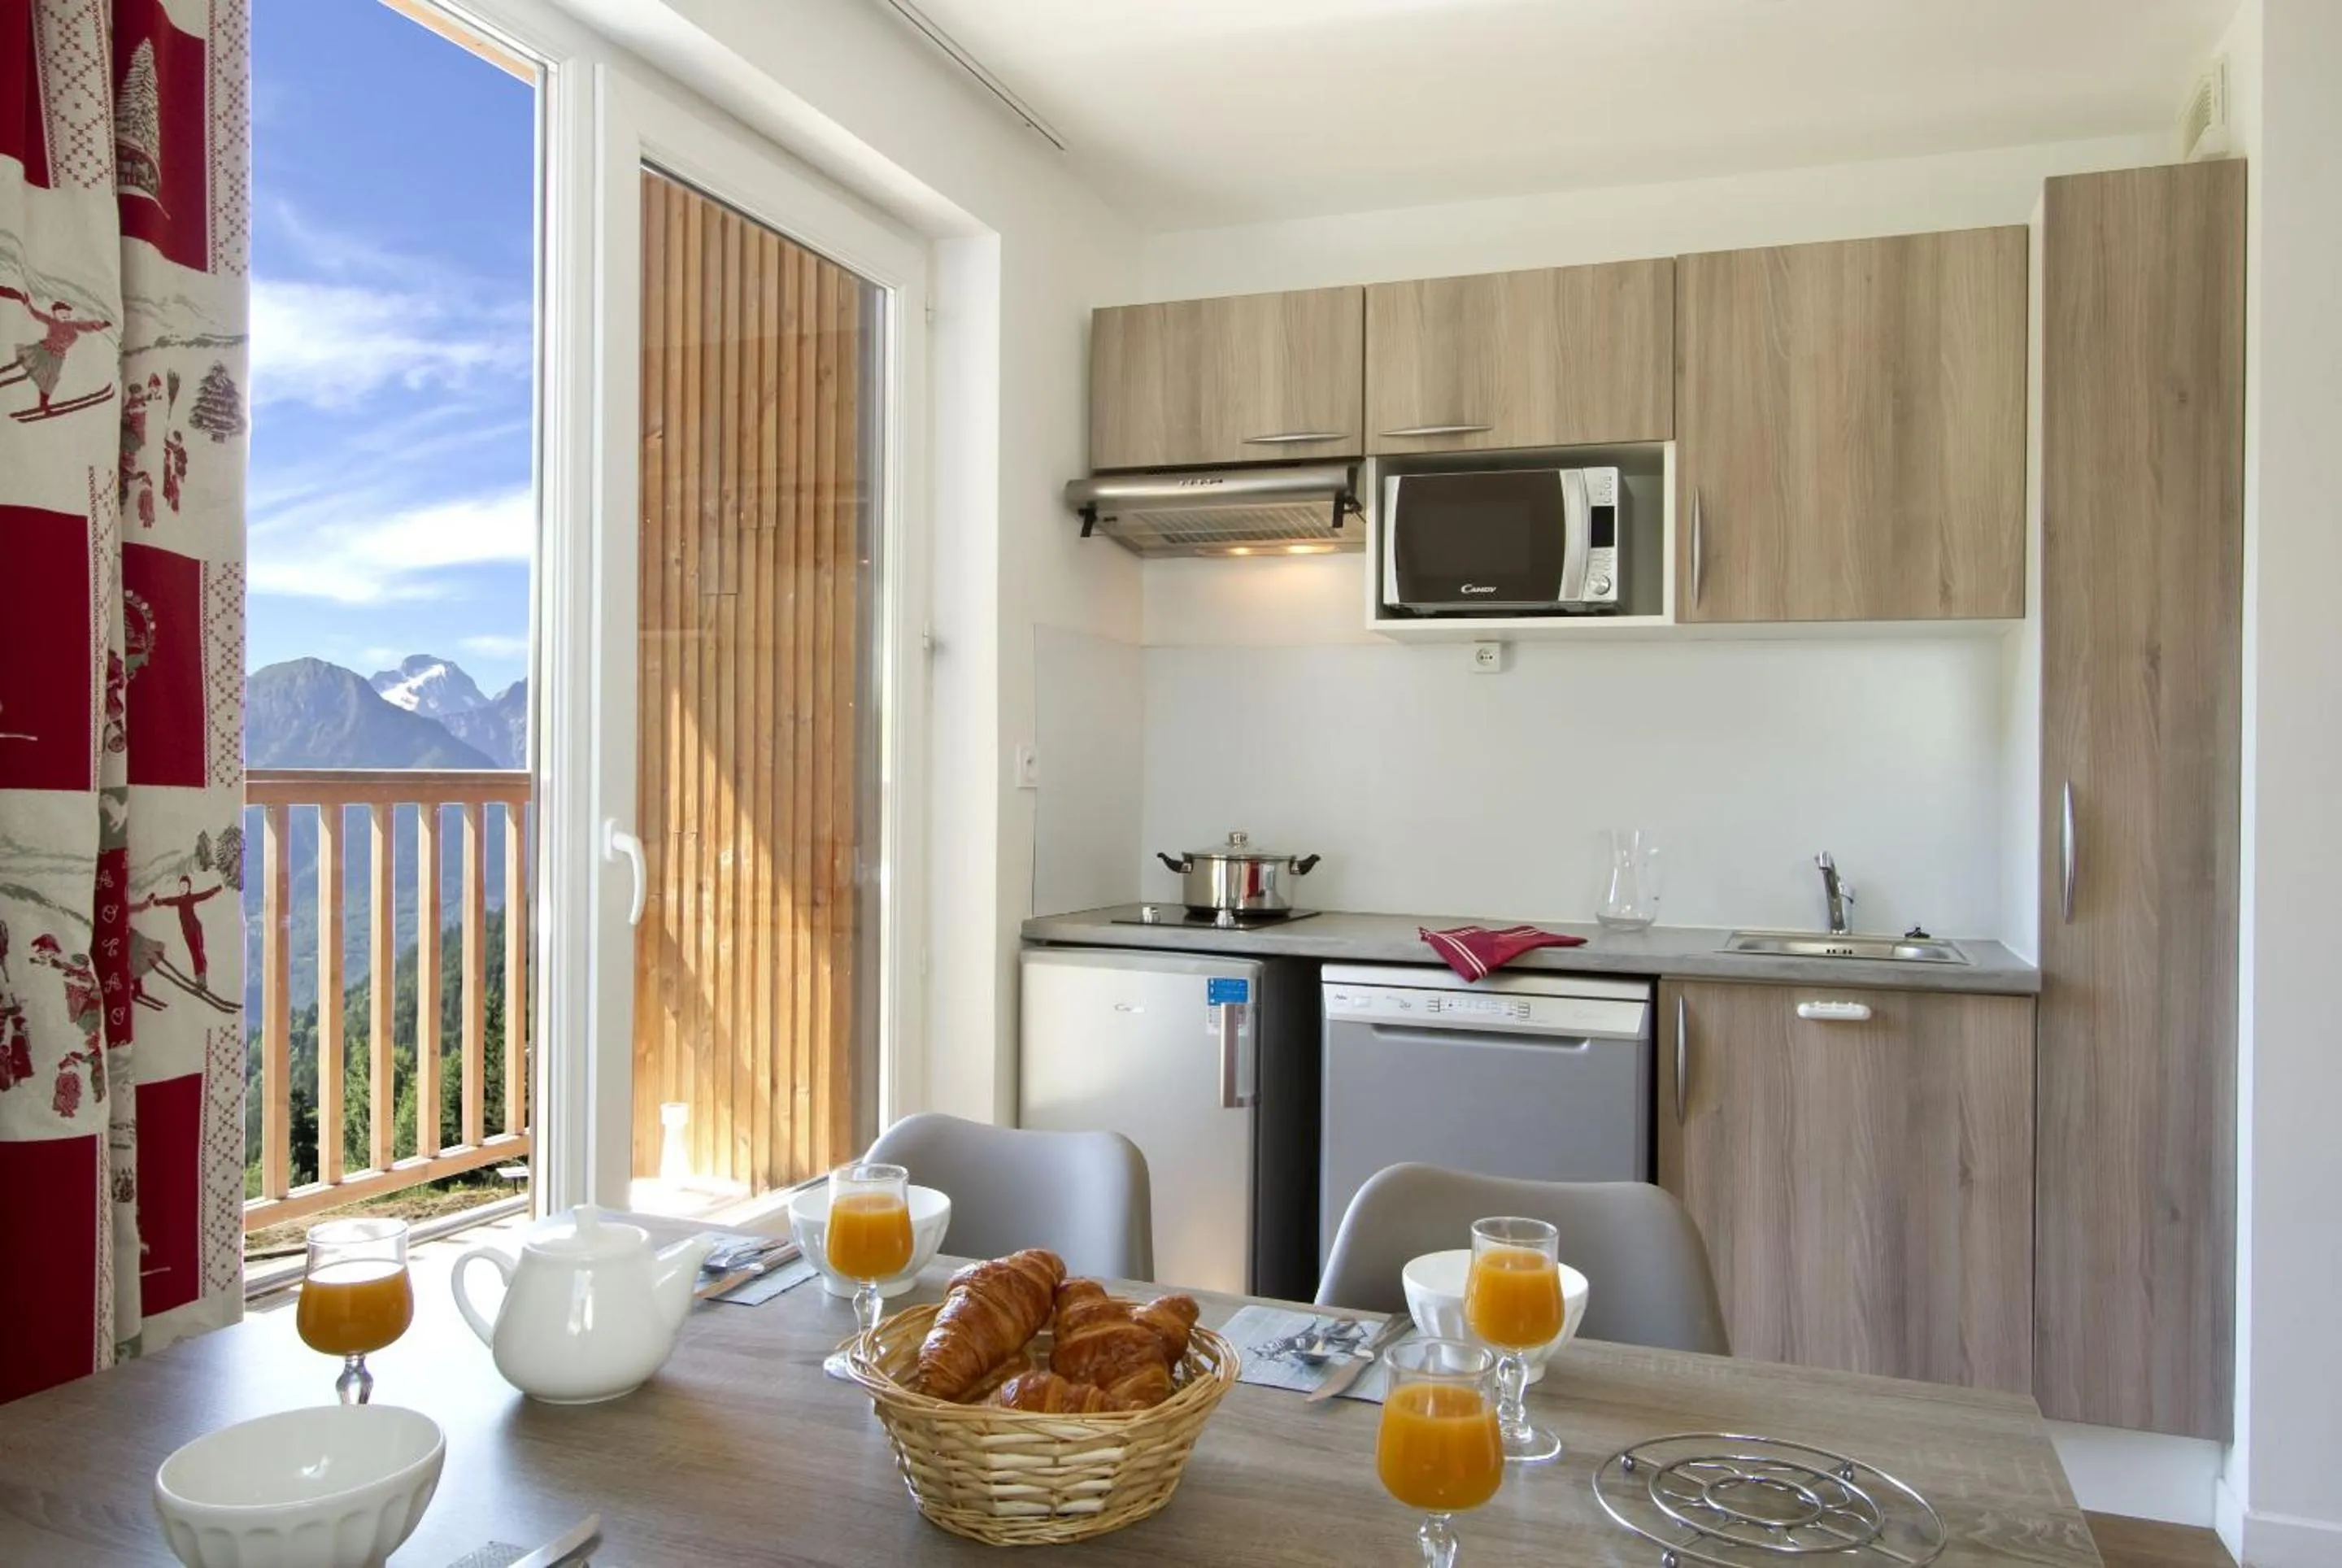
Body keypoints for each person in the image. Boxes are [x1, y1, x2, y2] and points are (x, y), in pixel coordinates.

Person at [1, 290, 112, 413]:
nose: (64, 315)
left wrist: (102, 325)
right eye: (61, 313)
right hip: (44, 350)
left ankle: (43, 404)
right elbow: (37, 315)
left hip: (57, 357)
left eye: (67, 313)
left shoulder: (73, 325)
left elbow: (87, 326)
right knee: (25, 364)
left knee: (51, 379)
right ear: (54, 313)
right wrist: (28, 305)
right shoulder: (51, 321)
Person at [133, 877, 222, 987]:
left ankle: (202, 980)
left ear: (189, 887)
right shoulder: (179, 900)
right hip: (188, 932)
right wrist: (158, 901)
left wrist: (214, 890)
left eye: (185, 886)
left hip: (195, 929)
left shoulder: (191, 898)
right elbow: (168, 901)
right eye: (181, 886)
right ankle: (201, 978)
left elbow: (203, 895)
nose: (182, 888)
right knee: (196, 954)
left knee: (198, 953)